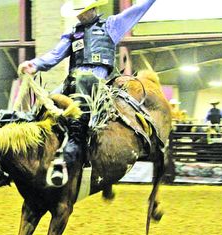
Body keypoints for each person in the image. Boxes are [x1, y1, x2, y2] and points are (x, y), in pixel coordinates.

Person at [17, 0, 157, 186]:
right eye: (77, 13)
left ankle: (74, 149)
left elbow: (136, 11)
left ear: (93, 10)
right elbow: (55, 55)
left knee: (81, 110)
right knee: (45, 104)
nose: (79, 16)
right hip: (74, 79)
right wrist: (34, 64)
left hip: (97, 80)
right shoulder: (73, 34)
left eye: (82, 12)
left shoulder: (111, 25)